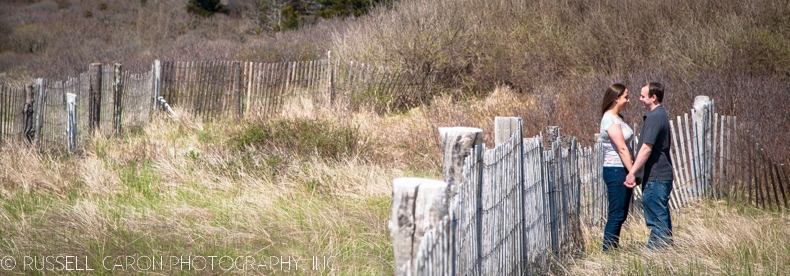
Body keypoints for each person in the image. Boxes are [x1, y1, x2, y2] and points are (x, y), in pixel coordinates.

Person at [625, 82, 674, 250]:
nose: (639, 99)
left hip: (656, 177)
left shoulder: (654, 117)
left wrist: (632, 172)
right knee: (659, 217)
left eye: (643, 96)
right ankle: (663, 253)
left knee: (657, 220)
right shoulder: (660, 115)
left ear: (654, 97)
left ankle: (658, 254)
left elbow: (646, 148)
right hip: (657, 176)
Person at [599, 83, 635, 252]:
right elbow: (621, 148)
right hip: (615, 170)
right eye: (626, 97)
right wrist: (632, 172)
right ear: (616, 98)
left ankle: (613, 248)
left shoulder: (619, 118)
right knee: (616, 214)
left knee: (621, 213)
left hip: (621, 169)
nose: (628, 100)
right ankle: (608, 251)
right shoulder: (610, 119)